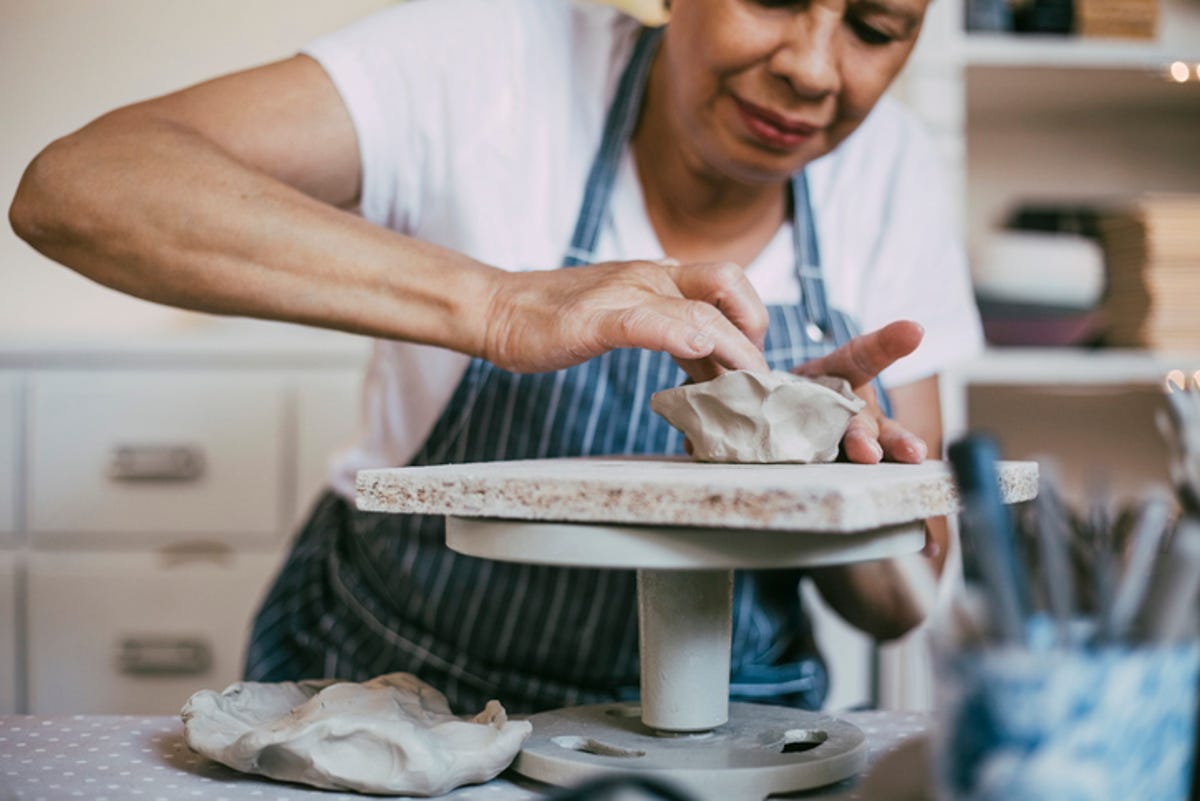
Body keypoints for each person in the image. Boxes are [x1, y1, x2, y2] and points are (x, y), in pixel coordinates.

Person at [10, 0, 983, 713]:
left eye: (875, 27)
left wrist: (827, 491)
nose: (814, 70)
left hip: (729, 729)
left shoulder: (890, 171)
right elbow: (78, 188)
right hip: (395, 692)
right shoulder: (488, 64)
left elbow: (905, 605)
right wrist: (499, 302)